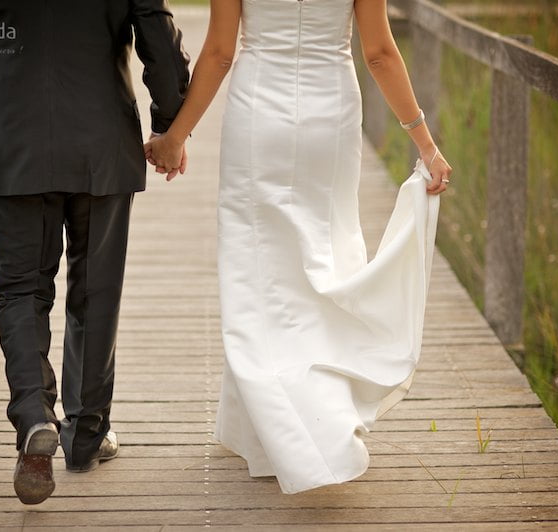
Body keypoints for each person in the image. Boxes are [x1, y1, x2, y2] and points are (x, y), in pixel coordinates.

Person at [145, 0, 453, 494]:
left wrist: (175, 135)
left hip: (257, 113)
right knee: (325, 255)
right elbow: (378, 53)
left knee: (256, 268)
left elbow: (221, 52)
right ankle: (284, 417)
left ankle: (289, 424)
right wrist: (425, 144)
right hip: (329, 116)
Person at [0, 0, 190, 504]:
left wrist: (17, 60)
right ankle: (85, 436)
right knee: (95, 287)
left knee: (20, 289)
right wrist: (167, 124)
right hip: (101, 141)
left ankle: (34, 416)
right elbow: (158, 41)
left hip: (18, 140)